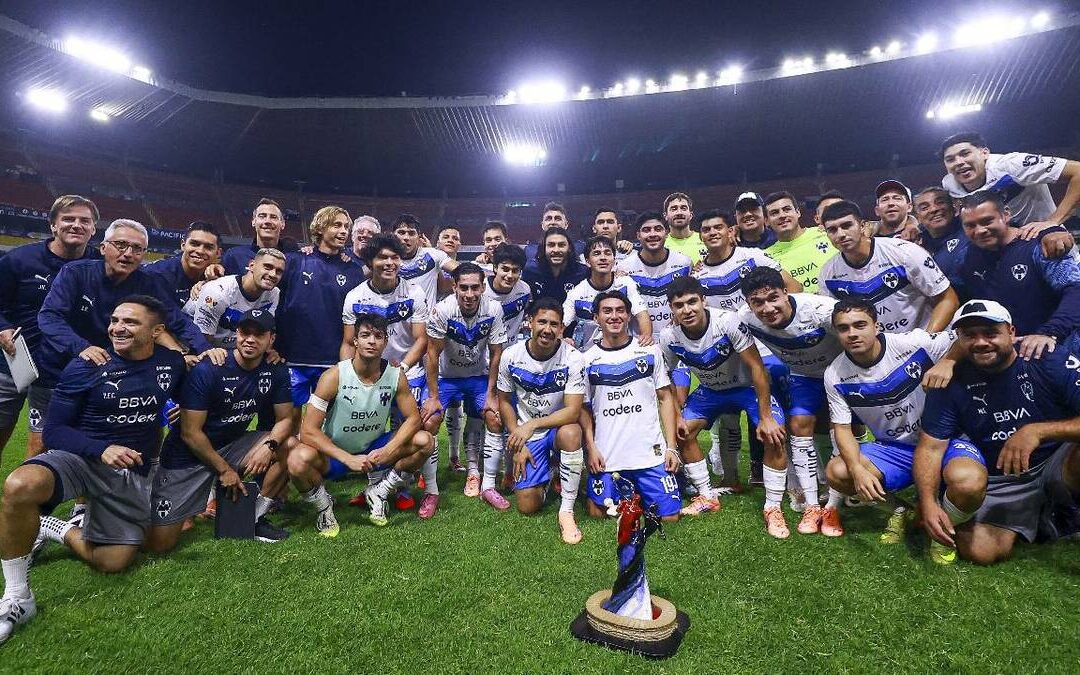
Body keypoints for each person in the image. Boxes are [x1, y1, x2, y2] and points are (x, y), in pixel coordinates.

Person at [0, 296, 186, 644]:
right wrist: (102, 449)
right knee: (20, 484)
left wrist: (180, 409)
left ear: (157, 331)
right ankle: (17, 597)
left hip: (133, 470)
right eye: (115, 320)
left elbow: (190, 391)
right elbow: (54, 432)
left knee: (112, 562)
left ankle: (53, 526)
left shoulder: (171, 364)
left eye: (130, 322)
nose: (117, 328)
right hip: (82, 460)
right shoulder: (86, 365)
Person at [916, 299, 1080, 565]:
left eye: (991, 333)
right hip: (1003, 480)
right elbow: (930, 447)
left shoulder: (1046, 357)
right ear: (959, 339)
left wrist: (1038, 431)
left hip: (1056, 463)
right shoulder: (948, 380)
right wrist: (928, 502)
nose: (981, 342)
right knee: (980, 551)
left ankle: (1058, 508)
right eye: (970, 335)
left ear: (1012, 332)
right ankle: (1049, 518)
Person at [36, 220, 210, 456]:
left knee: (114, 444)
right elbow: (49, 316)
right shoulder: (76, 273)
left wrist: (202, 349)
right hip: (60, 369)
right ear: (103, 247)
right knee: (44, 443)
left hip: (118, 374)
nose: (128, 254)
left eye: (137, 249)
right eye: (121, 245)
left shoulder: (149, 283)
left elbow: (176, 320)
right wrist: (81, 347)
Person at [146, 309, 294, 551]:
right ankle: (76, 527)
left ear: (271, 340)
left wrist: (269, 447)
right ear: (237, 333)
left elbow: (286, 419)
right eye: (245, 332)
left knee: (289, 445)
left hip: (232, 446)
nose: (250, 339)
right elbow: (190, 433)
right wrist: (224, 471)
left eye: (259, 335)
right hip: (188, 458)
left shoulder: (274, 368)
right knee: (160, 544)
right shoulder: (211, 368)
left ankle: (255, 516)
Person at [823, 299, 959, 545]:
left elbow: (961, 338)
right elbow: (842, 429)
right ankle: (903, 511)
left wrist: (948, 361)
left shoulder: (913, 344)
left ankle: (944, 521)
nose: (852, 334)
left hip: (941, 441)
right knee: (838, 471)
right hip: (896, 450)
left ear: (877, 326)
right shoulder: (834, 374)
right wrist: (856, 470)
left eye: (860, 325)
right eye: (843, 328)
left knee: (965, 481)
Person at [660, 278, 788, 531]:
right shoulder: (668, 337)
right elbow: (667, 381)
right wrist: (678, 415)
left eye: (692, 302)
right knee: (681, 432)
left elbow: (757, 367)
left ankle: (773, 507)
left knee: (773, 436)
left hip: (746, 388)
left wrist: (766, 417)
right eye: (679, 305)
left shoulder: (727, 322)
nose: (687, 310)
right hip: (711, 391)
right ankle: (707, 496)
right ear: (671, 310)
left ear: (703, 301)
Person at [288, 314, 432, 533]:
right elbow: (308, 431)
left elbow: (413, 419)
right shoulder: (334, 376)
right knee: (298, 460)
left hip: (375, 451)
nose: (371, 341)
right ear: (355, 341)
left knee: (425, 440)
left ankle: (379, 491)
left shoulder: (395, 376)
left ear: (385, 342)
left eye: (378, 336)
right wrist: (348, 459)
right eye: (365, 335)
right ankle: (324, 508)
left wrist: (387, 450)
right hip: (336, 455)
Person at [694, 209, 799, 490]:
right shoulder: (699, 272)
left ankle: (782, 465)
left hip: (763, 346)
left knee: (770, 401)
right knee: (729, 411)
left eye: (719, 227)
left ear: (731, 231)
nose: (713, 233)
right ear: (701, 236)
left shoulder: (753, 258)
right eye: (706, 229)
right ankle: (744, 471)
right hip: (726, 353)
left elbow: (792, 287)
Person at [739, 267, 846, 536]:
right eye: (757, 302)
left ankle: (833, 504)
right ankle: (812, 505)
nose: (767, 308)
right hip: (803, 376)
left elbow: (859, 334)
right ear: (748, 304)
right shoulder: (746, 320)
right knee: (799, 424)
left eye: (773, 297)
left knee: (844, 431)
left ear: (787, 292)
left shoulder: (821, 310)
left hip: (842, 373)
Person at [0, 195, 99, 461]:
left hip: (64, 369)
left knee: (46, 444)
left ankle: (39, 501)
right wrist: (3, 328)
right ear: (53, 225)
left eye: (84, 221)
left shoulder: (100, 266)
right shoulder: (19, 260)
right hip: (12, 362)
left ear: (93, 229)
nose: (76, 225)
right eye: (68, 219)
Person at [340, 234, 429, 508]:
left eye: (394, 257)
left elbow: (421, 340)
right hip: (368, 374)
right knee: (371, 431)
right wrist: (347, 377)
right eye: (382, 258)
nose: (389, 263)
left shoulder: (414, 292)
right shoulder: (355, 296)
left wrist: (400, 370)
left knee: (406, 432)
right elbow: (347, 342)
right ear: (370, 261)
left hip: (406, 370)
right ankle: (373, 486)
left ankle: (398, 487)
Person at [580, 292, 681, 522]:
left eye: (620, 311)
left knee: (670, 518)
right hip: (608, 454)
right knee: (598, 513)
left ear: (628, 316)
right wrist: (591, 448)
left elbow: (665, 398)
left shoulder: (649, 351)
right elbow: (584, 408)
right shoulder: (587, 360)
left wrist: (671, 447)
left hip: (649, 453)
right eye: (607, 311)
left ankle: (638, 490)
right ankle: (632, 492)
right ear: (596, 318)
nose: (614, 316)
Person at [497, 298, 586, 544]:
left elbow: (573, 411)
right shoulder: (511, 355)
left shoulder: (573, 358)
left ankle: (566, 510)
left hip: (556, 428)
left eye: (554, 324)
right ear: (530, 322)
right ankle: (550, 473)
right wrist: (518, 441)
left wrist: (531, 425)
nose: (547, 329)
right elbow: (504, 401)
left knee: (571, 432)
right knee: (527, 506)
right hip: (527, 436)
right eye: (542, 322)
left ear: (561, 328)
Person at [422, 263, 508, 516]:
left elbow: (496, 354)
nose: (469, 294)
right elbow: (432, 354)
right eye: (463, 288)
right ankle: (431, 490)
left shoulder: (493, 308)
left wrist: (492, 394)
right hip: (447, 378)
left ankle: (483, 481)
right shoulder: (442, 310)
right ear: (454, 286)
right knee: (429, 422)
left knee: (493, 417)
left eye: (474, 288)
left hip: (477, 376)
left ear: (482, 287)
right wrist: (434, 396)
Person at [957, 191, 1080, 358]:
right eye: (970, 225)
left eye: (987, 221)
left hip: (1060, 346)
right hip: (1012, 356)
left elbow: (1075, 290)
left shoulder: (1039, 245)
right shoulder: (966, 258)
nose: (980, 230)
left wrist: (1050, 332)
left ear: (1005, 214)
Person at [274, 206, 364, 422]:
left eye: (346, 227)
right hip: (293, 358)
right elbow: (272, 301)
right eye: (337, 225)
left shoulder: (353, 270)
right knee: (289, 424)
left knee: (330, 426)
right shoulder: (295, 261)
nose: (343, 231)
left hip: (332, 360)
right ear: (321, 228)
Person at [819, 200, 959, 333]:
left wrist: (926, 339)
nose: (841, 234)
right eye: (832, 230)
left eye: (846, 226)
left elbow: (948, 298)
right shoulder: (828, 275)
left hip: (923, 339)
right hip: (880, 351)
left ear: (862, 226)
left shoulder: (904, 252)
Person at [940, 131, 1080, 228]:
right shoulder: (950, 184)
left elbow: (1077, 171)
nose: (958, 162)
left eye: (965, 153)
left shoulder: (1012, 164)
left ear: (984, 153)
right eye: (950, 159)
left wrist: (1053, 222)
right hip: (1005, 253)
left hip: (1047, 245)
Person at [564, 236, 650, 350]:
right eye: (597, 253)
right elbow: (560, 324)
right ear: (587, 262)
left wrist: (646, 337)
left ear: (614, 259)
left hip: (622, 351)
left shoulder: (625, 283)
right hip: (588, 356)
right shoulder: (576, 293)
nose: (603, 258)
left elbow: (642, 314)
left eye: (607, 253)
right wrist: (561, 340)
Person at [189, 247, 283, 348]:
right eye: (267, 267)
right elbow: (202, 342)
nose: (273, 274)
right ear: (252, 266)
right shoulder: (218, 292)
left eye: (279, 271)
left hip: (234, 350)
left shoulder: (274, 294)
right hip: (193, 345)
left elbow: (264, 330)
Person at [762, 191, 836, 293]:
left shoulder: (826, 234)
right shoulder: (765, 257)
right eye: (775, 213)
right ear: (766, 221)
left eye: (787, 209)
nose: (782, 215)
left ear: (798, 212)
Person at [144, 221, 221, 306]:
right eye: (194, 244)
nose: (200, 251)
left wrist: (212, 285)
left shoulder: (217, 276)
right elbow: (169, 316)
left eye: (208, 247)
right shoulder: (158, 275)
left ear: (218, 253)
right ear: (183, 245)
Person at [393, 214, 459, 311]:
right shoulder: (384, 260)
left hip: (426, 323)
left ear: (419, 237)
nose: (406, 237)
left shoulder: (432, 255)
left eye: (411, 233)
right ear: (393, 235)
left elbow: (463, 271)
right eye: (401, 232)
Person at [221, 198, 299, 275]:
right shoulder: (234, 256)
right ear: (253, 221)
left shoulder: (295, 259)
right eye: (262, 216)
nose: (267, 221)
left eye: (273, 217)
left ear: (283, 224)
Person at [522, 227, 589, 305]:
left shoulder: (583, 273)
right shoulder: (530, 271)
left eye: (561, 245)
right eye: (551, 245)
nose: (556, 250)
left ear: (569, 248)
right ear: (544, 248)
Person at [664, 192, 706, 264]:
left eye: (683, 208)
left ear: (691, 215)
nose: (679, 212)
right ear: (665, 216)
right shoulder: (661, 244)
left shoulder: (705, 239)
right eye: (674, 209)